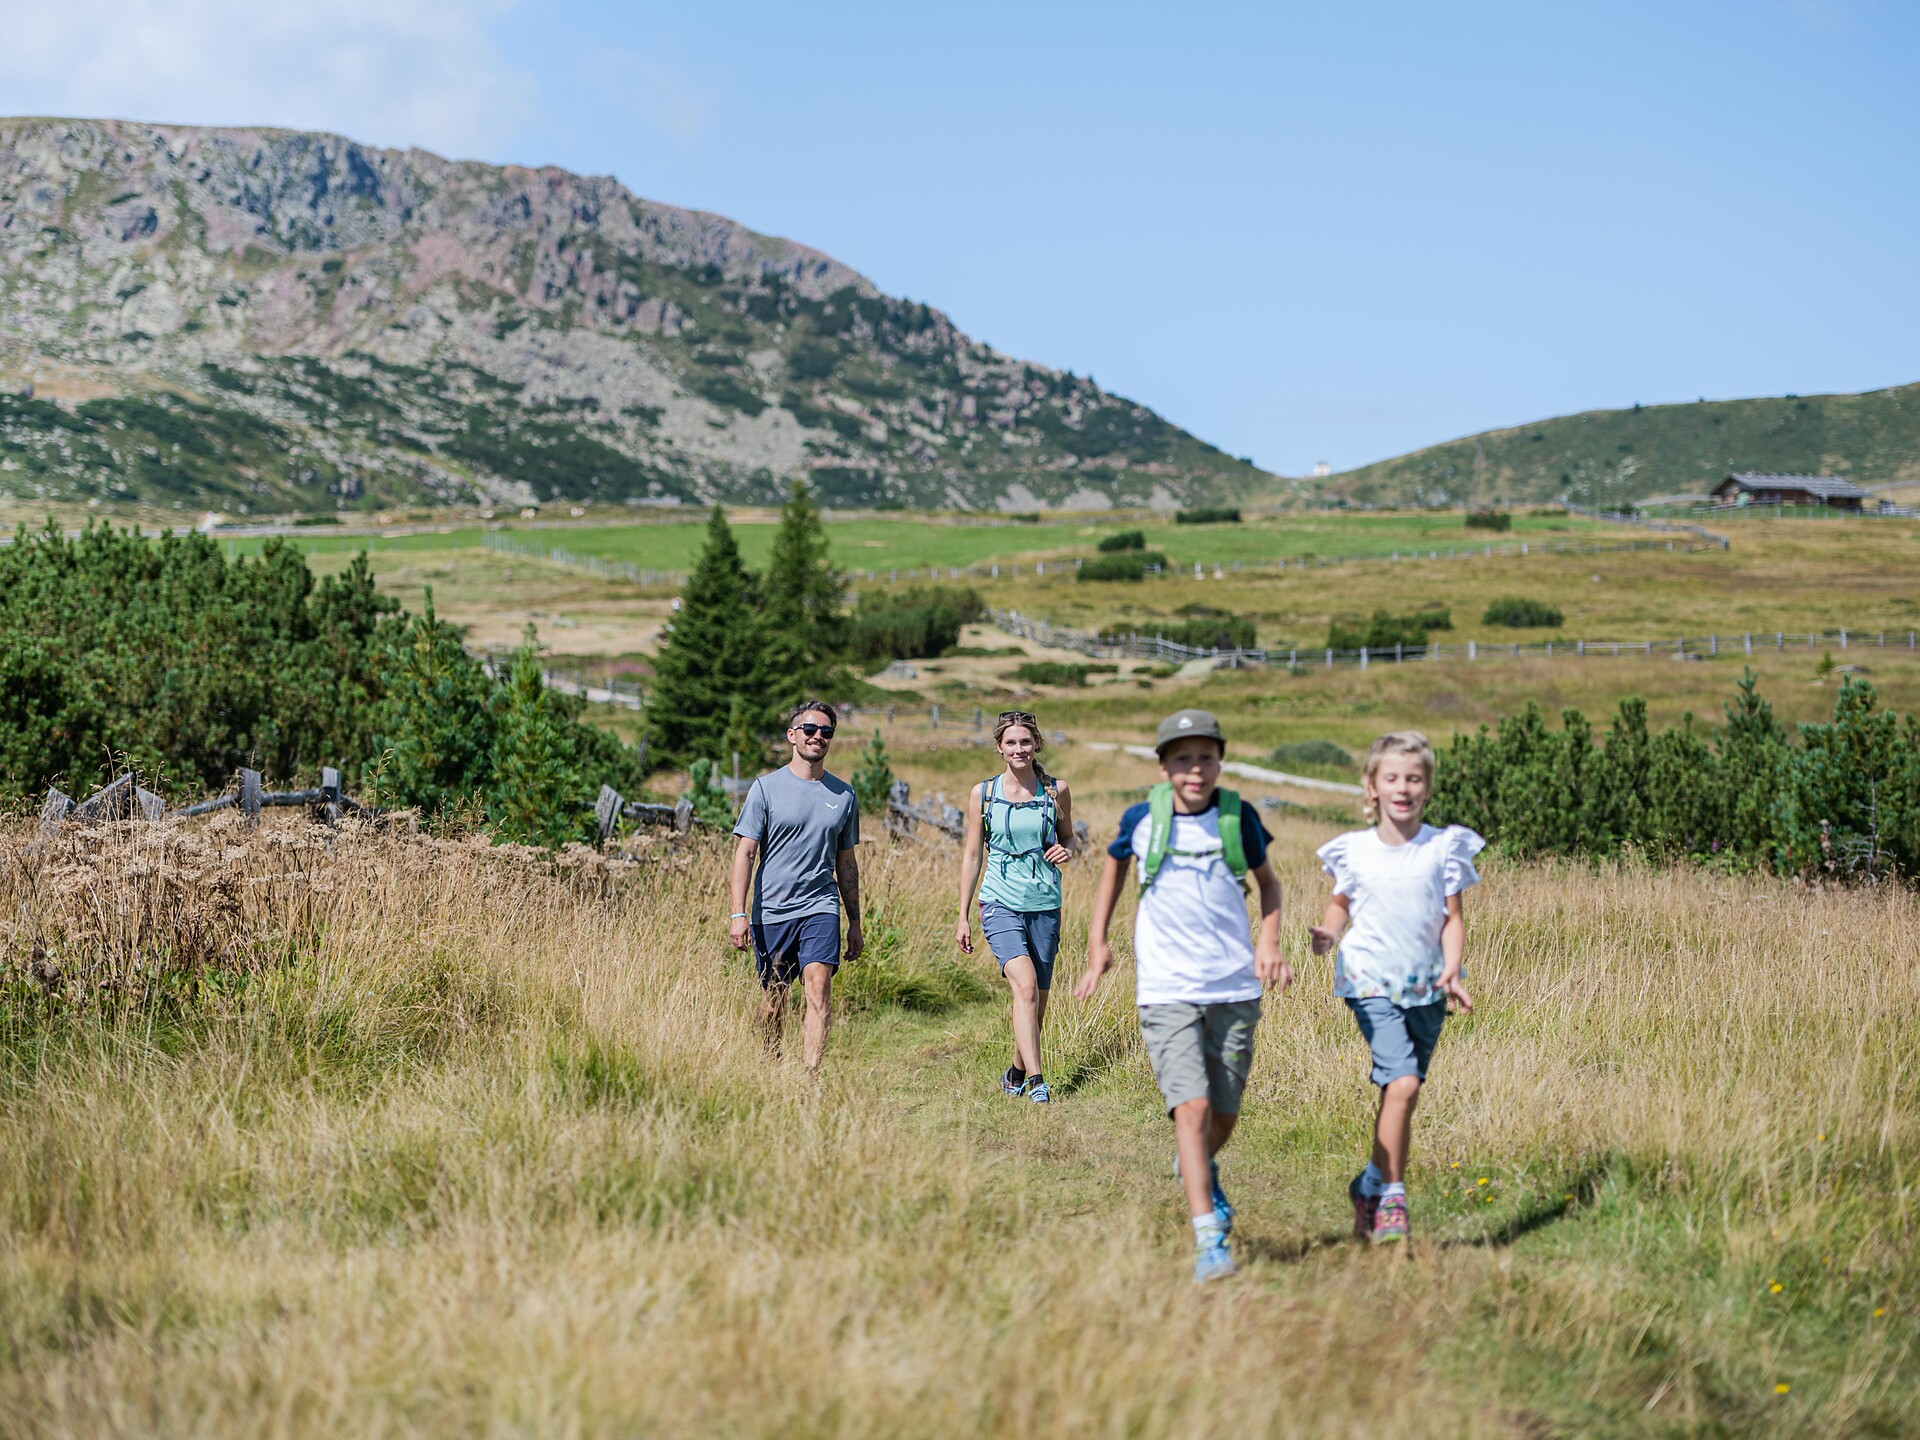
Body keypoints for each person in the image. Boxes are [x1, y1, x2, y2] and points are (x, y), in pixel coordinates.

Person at [1076, 709, 1288, 1283]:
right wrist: (1099, 946)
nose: (1196, 768)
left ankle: (1192, 1160)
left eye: (1206, 757)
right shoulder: (1142, 819)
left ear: (1220, 760)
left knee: (1223, 1113)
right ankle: (1209, 1241)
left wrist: (1268, 944)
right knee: (1190, 1110)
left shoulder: (1237, 817)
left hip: (1235, 986)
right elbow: (1112, 873)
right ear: (1165, 765)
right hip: (1166, 987)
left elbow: (1268, 885)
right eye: (1183, 758)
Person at [1309, 731, 1483, 1246]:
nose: (1403, 787)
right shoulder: (1356, 850)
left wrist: (1453, 968)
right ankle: (1393, 1199)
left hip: (1427, 986)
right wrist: (1328, 932)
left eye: (1414, 778)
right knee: (1402, 1083)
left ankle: (1368, 1185)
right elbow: (1341, 902)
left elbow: (1452, 919)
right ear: (1372, 787)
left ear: (1427, 788)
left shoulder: (1443, 846)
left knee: (1400, 1093)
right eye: (1392, 778)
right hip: (1369, 981)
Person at [729, 700, 864, 1073]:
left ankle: (809, 1078)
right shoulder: (765, 789)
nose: (818, 736)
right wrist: (738, 913)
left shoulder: (844, 795)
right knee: (775, 998)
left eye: (826, 732)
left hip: (820, 906)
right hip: (771, 910)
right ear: (792, 736)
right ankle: (770, 1063)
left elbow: (846, 863)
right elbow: (746, 853)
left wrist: (854, 921)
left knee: (818, 988)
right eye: (810, 729)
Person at [955, 710, 1074, 1103]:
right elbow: (973, 854)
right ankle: (1038, 1081)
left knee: (1036, 999)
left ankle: (1017, 1071)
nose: (1019, 749)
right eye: (1011, 742)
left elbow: (1070, 838)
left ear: (1036, 744)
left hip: (1044, 903)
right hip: (999, 900)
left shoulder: (1056, 790)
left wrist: (1066, 850)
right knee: (1023, 986)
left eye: (1025, 742)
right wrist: (962, 914)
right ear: (999, 747)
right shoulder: (983, 794)